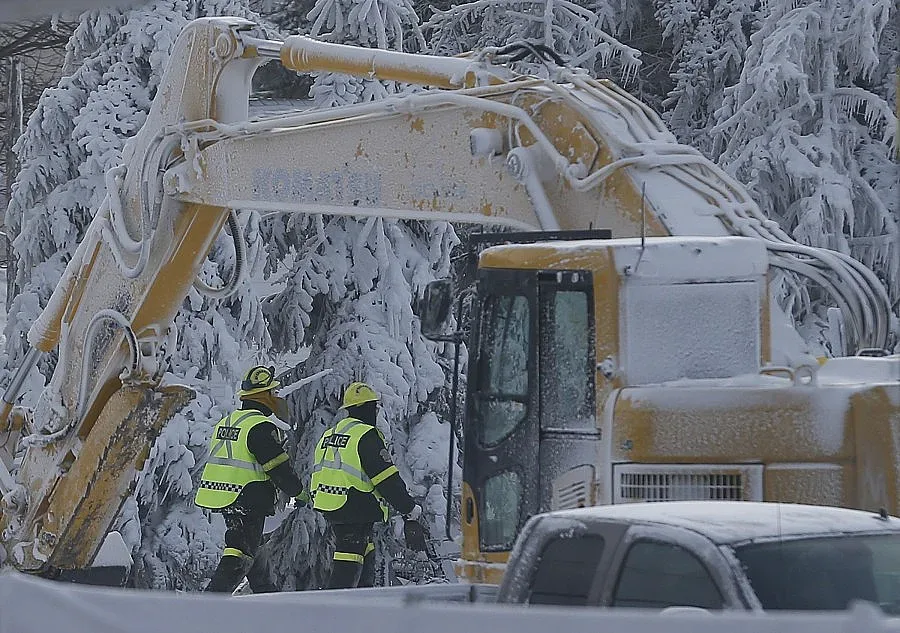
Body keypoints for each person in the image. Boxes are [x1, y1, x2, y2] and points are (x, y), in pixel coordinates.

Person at [195, 365, 308, 594]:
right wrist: (299, 492)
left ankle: (268, 598)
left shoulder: (230, 422)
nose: (277, 398)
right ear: (264, 396)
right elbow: (277, 467)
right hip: (247, 497)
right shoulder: (259, 427)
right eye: (273, 393)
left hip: (225, 495)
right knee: (240, 554)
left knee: (255, 552)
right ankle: (206, 606)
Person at [311, 381, 425, 589]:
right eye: (373, 407)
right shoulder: (365, 436)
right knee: (347, 566)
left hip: (331, 503)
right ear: (368, 408)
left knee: (365, 555)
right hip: (354, 507)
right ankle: (333, 613)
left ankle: (362, 603)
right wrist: (409, 509)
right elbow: (386, 479)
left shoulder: (330, 434)